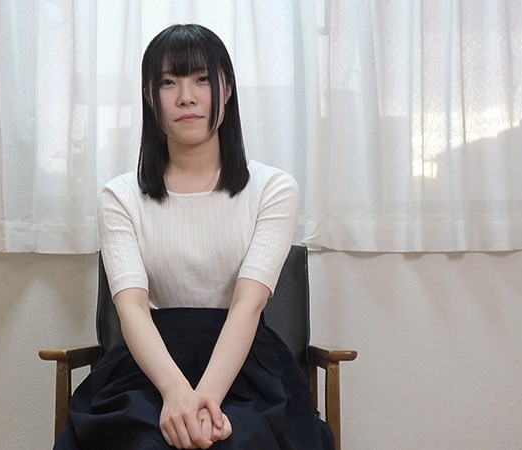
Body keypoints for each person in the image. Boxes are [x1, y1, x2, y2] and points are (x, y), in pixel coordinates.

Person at [55, 23, 334, 450]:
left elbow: (248, 303)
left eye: (202, 79)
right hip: (148, 368)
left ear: (227, 89)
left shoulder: (274, 189)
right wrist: (175, 394)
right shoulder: (120, 197)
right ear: (150, 96)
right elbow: (132, 308)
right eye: (168, 82)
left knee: (241, 441)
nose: (186, 96)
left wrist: (205, 400)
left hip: (245, 367)